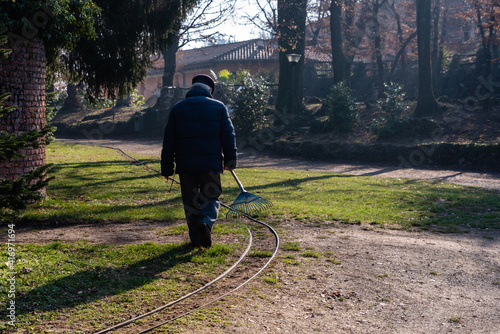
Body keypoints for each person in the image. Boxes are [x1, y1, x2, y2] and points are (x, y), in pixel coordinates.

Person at [161, 74, 237, 248]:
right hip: (210, 164)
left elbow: (169, 140)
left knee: (190, 201)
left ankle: (196, 240)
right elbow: (228, 136)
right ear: (209, 90)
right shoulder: (219, 107)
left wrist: (167, 168)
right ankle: (206, 222)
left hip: (185, 165)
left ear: (192, 88)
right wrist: (230, 160)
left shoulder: (177, 108)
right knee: (211, 196)